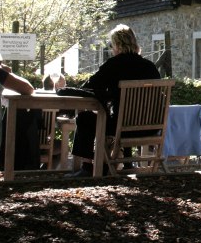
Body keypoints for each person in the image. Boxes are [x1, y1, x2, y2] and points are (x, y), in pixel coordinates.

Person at [67, 24, 160, 177]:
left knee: (85, 118)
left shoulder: (113, 65)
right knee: (122, 114)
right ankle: (125, 163)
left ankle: (87, 167)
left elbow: (88, 87)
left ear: (116, 44)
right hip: (149, 127)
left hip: (121, 126)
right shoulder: (150, 67)